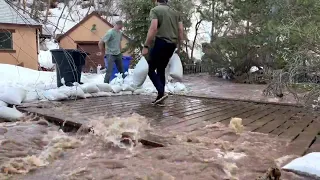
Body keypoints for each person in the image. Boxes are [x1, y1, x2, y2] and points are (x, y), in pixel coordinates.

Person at [142, 0, 184, 105]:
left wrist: (146, 45)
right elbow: (180, 30)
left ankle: (161, 91)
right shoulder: (175, 12)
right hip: (172, 45)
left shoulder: (155, 10)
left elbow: (153, 28)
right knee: (161, 69)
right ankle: (160, 97)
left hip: (161, 42)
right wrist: (179, 45)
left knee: (150, 68)